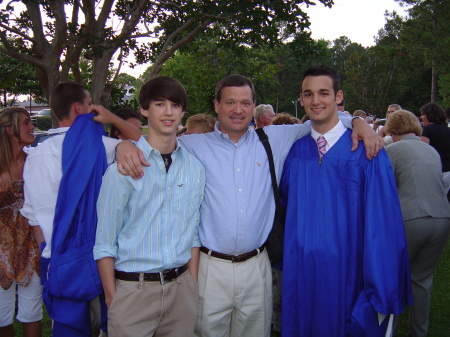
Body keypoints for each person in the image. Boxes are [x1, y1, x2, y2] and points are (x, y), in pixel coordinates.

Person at [115, 74, 382, 337]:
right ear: (217, 105)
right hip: (211, 267)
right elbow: (153, 142)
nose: (238, 110)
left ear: (254, 107)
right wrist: (124, 146)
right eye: (230, 102)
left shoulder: (275, 139)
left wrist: (358, 122)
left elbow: (324, 119)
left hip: (257, 267)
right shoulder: (192, 146)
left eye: (245, 103)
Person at [280, 65, 412, 336]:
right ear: (302, 99)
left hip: (348, 275)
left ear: (338, 97)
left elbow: (383, 227)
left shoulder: (367, 152)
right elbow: (284, 208)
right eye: (308, 94)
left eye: (323, 93)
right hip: (301, 274)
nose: (316, 101)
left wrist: (382, 289)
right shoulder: (294, 153)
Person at [20, 82, 142, 337]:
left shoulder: (36, 155)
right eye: (90, 106)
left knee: (68, 327)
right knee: (108, 323)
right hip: (100, 257)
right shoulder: (101, 146)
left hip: (57, 258)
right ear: (79, 108)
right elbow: (140, 137)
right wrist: (112, 121)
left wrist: (50, 255)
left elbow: (33, 218)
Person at [94, 76, 205, 337]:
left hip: (181, 291)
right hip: (134, 292)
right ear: (144, 109)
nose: (168, 112)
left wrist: (193, 284)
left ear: (182, 111)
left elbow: (194, 233)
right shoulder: (121, 170)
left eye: (175, 105)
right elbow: (104, 243)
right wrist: (113, 298)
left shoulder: (194, 169)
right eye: (159, 104)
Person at [384, 110, 450, 337]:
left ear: (392, 129)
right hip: (442, 217)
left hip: (410, 217)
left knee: (392, 277)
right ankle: (419, 333)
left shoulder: (392, 150)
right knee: (422, 279)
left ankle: (389, 331)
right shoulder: (430, 150)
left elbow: (383, 189)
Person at [0, 107, 41, 337]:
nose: (32, 126)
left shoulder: (35, 161)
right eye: (26, 123)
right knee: (1, 313)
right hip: (1, 249)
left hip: (31, 245)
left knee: (32, 311)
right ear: (10, 130)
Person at [419, 103, 450, 191]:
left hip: (438, 172)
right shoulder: (447, 130)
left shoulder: (427, 130)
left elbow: (422, 151)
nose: (421, 117)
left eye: (423, 114)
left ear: (430, 115)